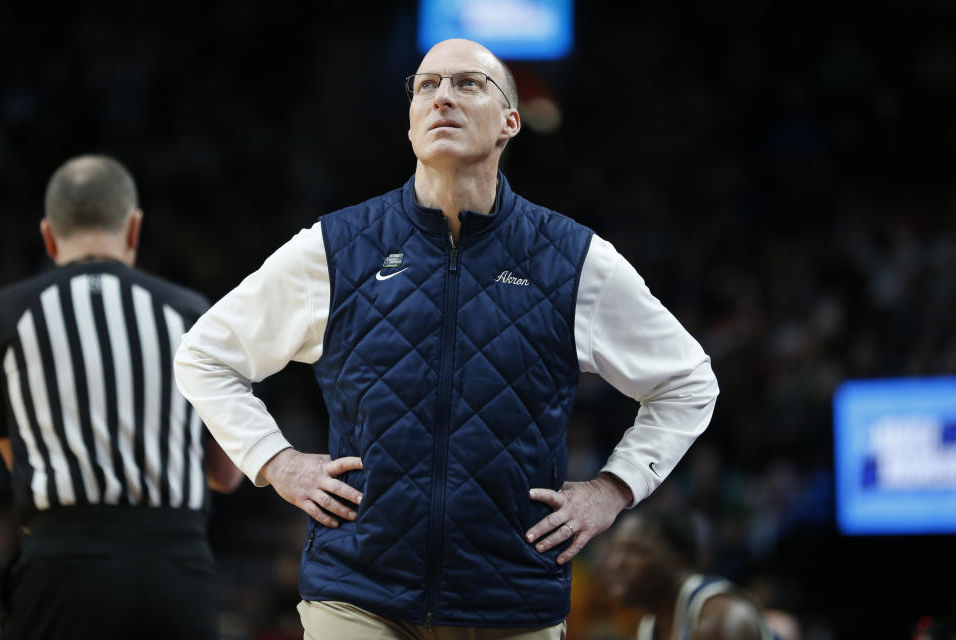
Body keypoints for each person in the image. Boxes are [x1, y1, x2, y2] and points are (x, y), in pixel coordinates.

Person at [174, 38, 718, 639]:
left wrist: (611, 490)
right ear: (410, 122)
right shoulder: (335, 247)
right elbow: (205, 354)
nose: (442, 98)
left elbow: (689, 382)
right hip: (358, 593)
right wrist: (276, 463)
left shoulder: (575, 259)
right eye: (426, 86)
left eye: (467, 84)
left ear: (511, 121)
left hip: (512, 600)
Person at [0, 155, 242, 640]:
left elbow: (15, 457)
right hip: (175, 570)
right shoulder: (191, 313)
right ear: (134, 228)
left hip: (61, 566)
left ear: (48, 236)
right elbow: (227, 474)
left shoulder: (7, 316)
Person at [605, 507, 776, 640]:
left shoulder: (718, 619)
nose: (616, 564)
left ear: (677, 559)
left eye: (635, 551)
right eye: (614, 551)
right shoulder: (650, 626)